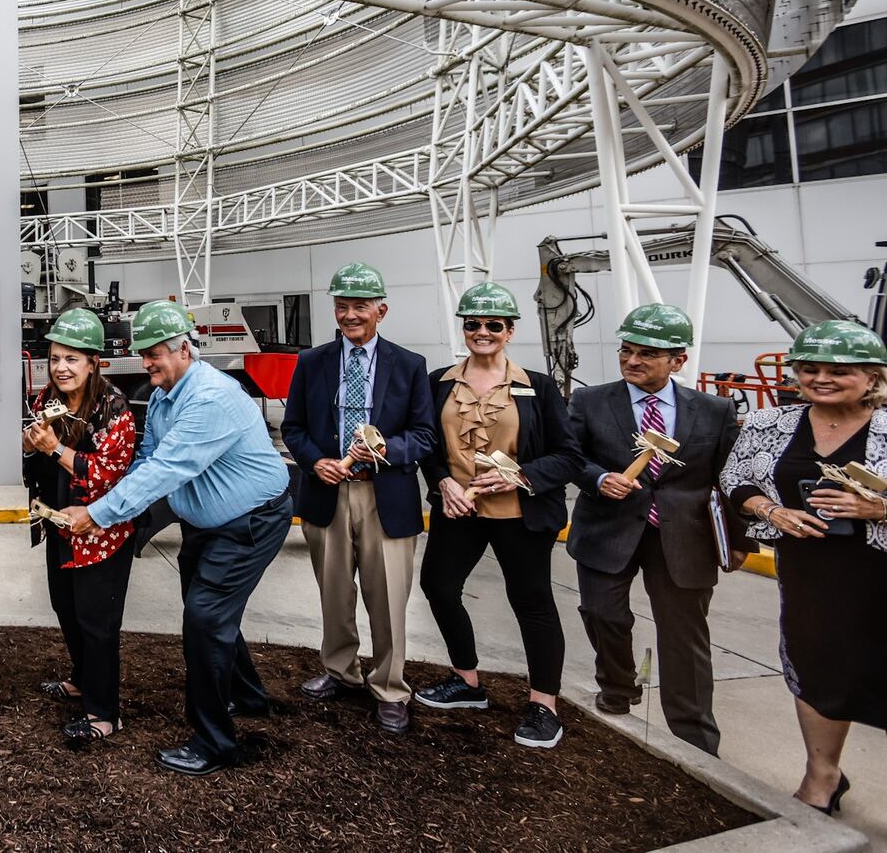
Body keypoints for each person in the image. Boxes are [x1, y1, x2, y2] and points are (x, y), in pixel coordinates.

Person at [63, 300, 291, 777]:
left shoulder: (208, 399)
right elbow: (148, 457)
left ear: (184, 349)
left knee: (205, 618)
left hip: (250, 523)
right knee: (210, 611)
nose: (146, 363)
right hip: (207, 525)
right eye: (143, 354)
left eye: (155, 354)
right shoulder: (168, 393)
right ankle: (246, 695)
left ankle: (214, 743)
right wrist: (110, 504)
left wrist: (99, 514)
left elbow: (168, 469)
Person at [566, 303, 753, 756]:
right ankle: (616, 686)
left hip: (683, 537)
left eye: (647, 354)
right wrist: (596, 478)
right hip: (608, 527)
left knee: (683, 635)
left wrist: (741, 540)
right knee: (601, 613)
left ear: (678, 360)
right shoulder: (590, 401)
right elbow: (571, 456)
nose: (632, 361)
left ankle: (694, 735)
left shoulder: (713, 410)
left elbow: (732, 478)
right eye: (626, 351)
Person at [721, 320, 887, 816]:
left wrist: (880, 509)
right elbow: (736, 481)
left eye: (839, 370)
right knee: (816, 666)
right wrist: (772, 511)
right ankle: (823, 776)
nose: (821, 378)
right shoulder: (772, 423)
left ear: (872, 377)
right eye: (810, 368)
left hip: (877, 569)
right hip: (812, 572)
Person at [417, 283, 582, 749]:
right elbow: (427, 444)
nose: (482, 332)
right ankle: (466, 681)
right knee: (438, 587)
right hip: (459, 508)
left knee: (532, 602)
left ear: (510, 331)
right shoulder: (439, 382)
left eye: (493, 325)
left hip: (519, 513)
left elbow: (568, 456)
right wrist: (441, 482)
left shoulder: (538, 386)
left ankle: (543, 704)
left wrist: (522, 477)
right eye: (473, 324)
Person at [282, 261, 436, 734]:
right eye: (342, 306)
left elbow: (426, 435)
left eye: (360, 306)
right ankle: (339, 670)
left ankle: (389, 686)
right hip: (328, 492)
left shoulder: (408, 366)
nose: (350, 316)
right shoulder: (313, 362)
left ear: (381, 310)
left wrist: (390, 448)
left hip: (384, 494)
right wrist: (315, 461)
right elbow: (294, 427)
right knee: (334, 593)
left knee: (387, 596)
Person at [22, 308, 137, 741]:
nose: (61, 368)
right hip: (58, 527)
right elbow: (29, 448)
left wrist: (52, 449)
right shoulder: (45, 401)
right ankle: (81, 680)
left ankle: (104, 715)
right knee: (65, 609)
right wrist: (30, 442)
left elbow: (108, 472)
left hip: (98, 534)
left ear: (93, 363)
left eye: (72, 359)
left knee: (97, 621)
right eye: (54, 358)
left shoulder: (114, 408)